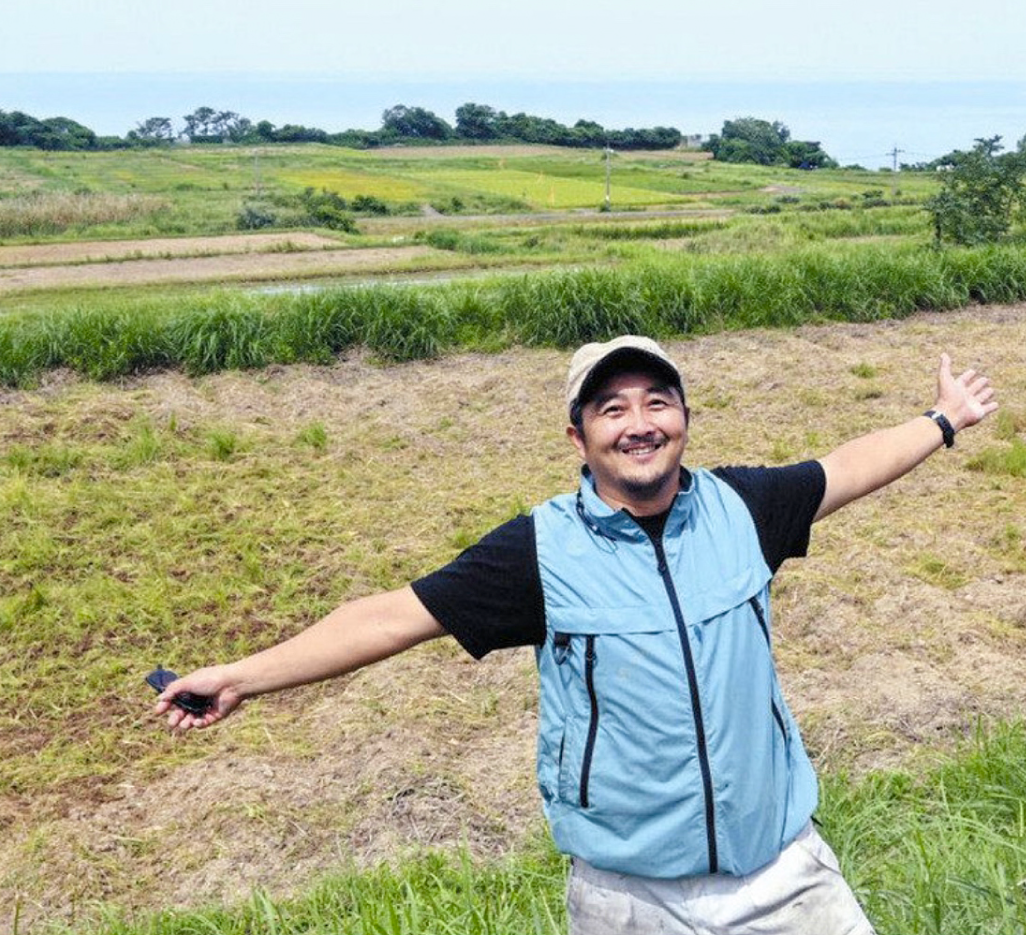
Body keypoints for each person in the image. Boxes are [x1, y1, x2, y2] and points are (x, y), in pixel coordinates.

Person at [153, 334, 997, 935]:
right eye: (611, 407)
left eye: (657, 401)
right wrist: (240, 675)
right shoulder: (540, 549)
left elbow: (846, 465)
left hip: (781, 870)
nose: (639, 422)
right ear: (578, 434)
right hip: (630, 895)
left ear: (684, 417)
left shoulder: (743, 508)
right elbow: (390, 616)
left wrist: (943, 418)